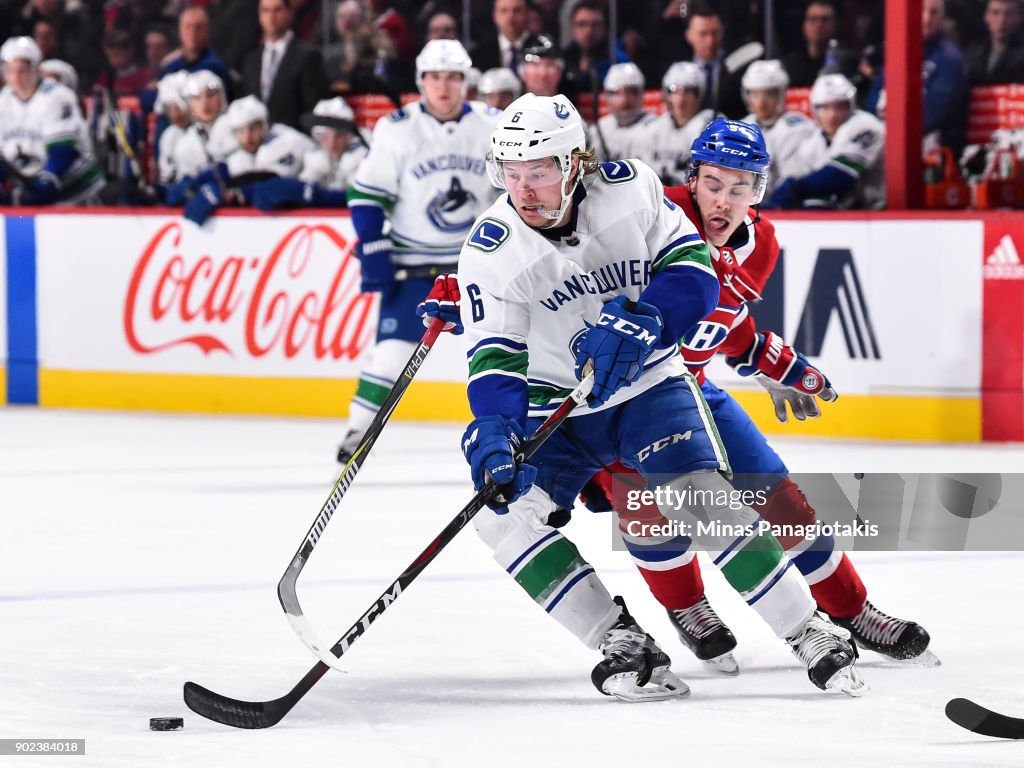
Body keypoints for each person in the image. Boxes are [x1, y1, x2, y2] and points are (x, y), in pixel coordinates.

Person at [445, 94, 863, 699]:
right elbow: (495, 360)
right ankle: (621, 640)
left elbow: (692, 270)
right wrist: (492, 429)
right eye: (512, 174)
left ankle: (810, 631)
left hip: (650, 385)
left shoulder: (631, 188)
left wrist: (649, 321)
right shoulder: (491, 250)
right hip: (555, 406)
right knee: (501, 516)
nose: (524, 190)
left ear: (573, 164)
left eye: (538, 172)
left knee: (698, 497)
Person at [581, 119, 933, 673]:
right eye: (714, 184)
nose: (724, 200)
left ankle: (852, 609)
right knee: (647, 510)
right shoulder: (645, 218)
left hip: (690, 386)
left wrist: (774, 363)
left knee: (781, 498)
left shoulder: (761, 243)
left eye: (740, 188)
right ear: (692, 179)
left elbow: (728, 324)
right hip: (620, 403)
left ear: (759, 192)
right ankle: (688, 606)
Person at [337, 39, 501, 464]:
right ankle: (359, 429)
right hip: (414, 263)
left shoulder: (494, 124)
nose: (443, 86)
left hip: (478, 265)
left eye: (452, 77)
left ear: (466, 82)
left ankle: (516, 428)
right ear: (420, 81)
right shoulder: (396, 128)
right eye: (434, 77)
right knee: (391, 352)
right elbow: (368, 195)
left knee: (505, 348)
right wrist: (373, 244)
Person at [0, 36, 104, 205]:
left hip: (75, 190)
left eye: (22, 70)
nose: (16, 77)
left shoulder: (57, 96)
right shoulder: (4, 100)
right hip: (31, 184)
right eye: (10, 70)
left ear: (35, 69)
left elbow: (63, 150)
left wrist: (47, 180)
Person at [765, 72, 884, 210]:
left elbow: (839, 177)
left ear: (850, 106)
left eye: (839, 107)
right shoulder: (813, 142)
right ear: (815, 110)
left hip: (880, 210)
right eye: (825, 108)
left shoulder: (865, 126)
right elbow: (800, 180)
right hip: (851, 210)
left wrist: (795, 187)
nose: (832, 115)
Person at [740, 59, 823, 198]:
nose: (761, 102)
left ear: (781, 94)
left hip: (786, 207)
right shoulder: (741, 127)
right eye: (755, 94)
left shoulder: (799, 127)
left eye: (769, 94)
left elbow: (793, 181)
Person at [242, 0, 329, 130]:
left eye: (277, 10)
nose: (271, 17)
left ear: (290, 13)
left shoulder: (308, 56)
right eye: (265, 11)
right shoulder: (251, 60)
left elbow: (313, 108)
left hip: (296, 141)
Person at [637, 61, 714, 186]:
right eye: (675, 90)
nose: (681, 98)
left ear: (699, 94)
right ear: (667, 94)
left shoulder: (710, 128)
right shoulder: (655, 128)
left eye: (688, 91)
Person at [163, 70, 236, 202]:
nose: (205, 103)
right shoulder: (184, 141)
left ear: (222, 96)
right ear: (188, 105)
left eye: (211, 95)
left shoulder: (238, 127)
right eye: (197, 98)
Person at [299, 96, 368, 191]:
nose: (332, 143)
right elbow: (304, 188)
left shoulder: (363, 156)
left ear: (349, 135)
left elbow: (358, 193)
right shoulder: (314, 157)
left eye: (339, 135)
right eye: (324, 136)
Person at [592, 62, 656, 163]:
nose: (624, 100)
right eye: (617, 92)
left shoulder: (656, 128)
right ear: (607, 95)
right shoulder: (598, 129)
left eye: (631, 92)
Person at [964, 0, 1024, 85]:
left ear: (1018, 18)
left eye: (1009, 14)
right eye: (995, 13)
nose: (1002, 20)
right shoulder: (973, 52)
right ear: (986, 16)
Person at [781, 1, 839, 87]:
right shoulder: (789, 66)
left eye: (825, 20)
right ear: (804, 25)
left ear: (834, 24)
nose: (819, 25)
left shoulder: (845, 64)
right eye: (813, 19)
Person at [472, 0, 530, 73]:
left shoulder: (541, 48)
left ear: (527, 14)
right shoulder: (479, 55)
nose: (510, 15)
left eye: (517, 10)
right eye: (504, 11)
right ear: (495, 16)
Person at [517, 33, 566, 98]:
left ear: (560, 71)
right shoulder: (510, 107)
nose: (543, 73)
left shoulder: (572, 106)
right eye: (535, 65)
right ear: (522, 71)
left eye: (549, 65)